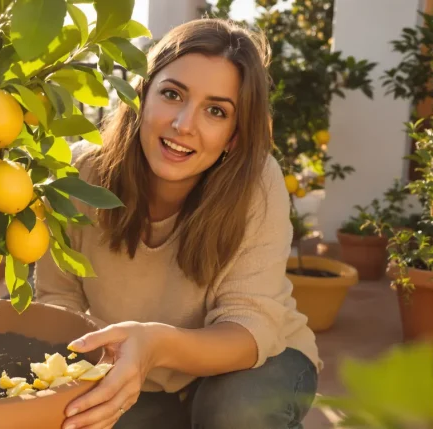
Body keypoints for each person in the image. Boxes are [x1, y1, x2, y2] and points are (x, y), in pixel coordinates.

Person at [33, 18, 321, 429]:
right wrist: (94, 370)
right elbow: (58, 299)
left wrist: (154, 346)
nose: (184, 124)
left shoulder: (256, 182)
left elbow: (249, 327)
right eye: (172, 94)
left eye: (216, 111)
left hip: (252, 363)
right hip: (137, 370)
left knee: (234, 412)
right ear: (142, 94)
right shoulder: (79, 173)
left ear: (234, 136)